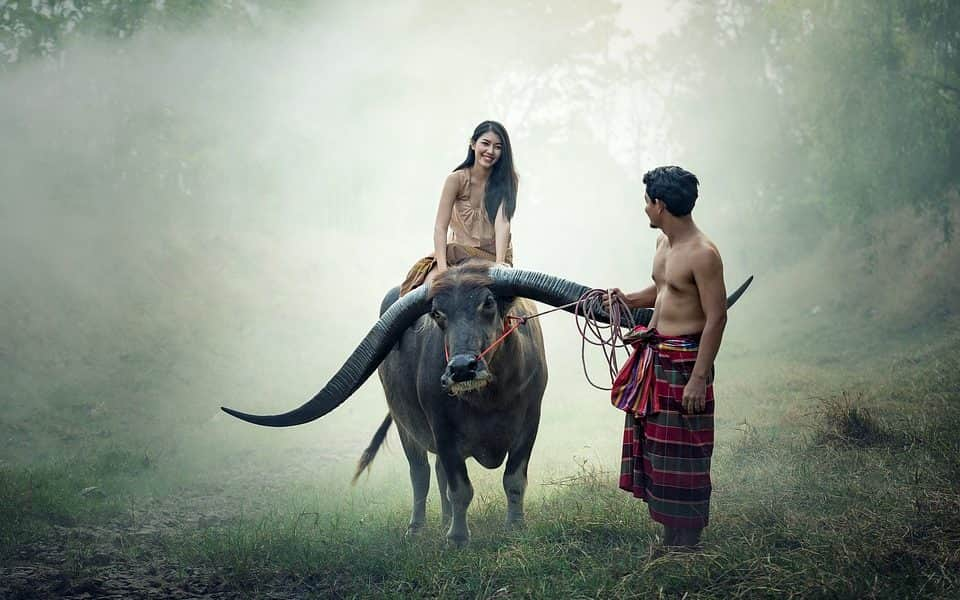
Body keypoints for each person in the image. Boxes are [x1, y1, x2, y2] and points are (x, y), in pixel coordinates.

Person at [606, 165, 727, 549]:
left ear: (659, 204)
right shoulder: (664, 244)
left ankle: (686, 546)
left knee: (685, 456)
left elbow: (716, 316)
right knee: (658, 449)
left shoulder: (703, 254)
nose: (644, 209)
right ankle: (670, 537)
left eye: (647, 202)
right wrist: (627, 299)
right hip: (656, 360)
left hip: (684, 364)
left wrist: (698, 377)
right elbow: (662, 292)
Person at [400, 121, 517, 295]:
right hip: (456, 255)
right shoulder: (455, 180)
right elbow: (440, 227)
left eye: (498, 147)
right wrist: (442, 269)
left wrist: (500, 265)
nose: (490, 151)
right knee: (428, 290)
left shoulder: (506, 181)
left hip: (491, 258)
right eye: (485, 144)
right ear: (473, 144)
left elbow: (503, 223)